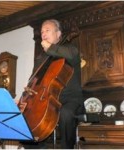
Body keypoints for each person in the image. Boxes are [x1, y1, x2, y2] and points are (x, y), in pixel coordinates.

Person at [24, 19, 85, 149]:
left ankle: (67, 147)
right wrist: (26, 95)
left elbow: (71, 55)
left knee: (66, 113)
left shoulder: (69, 49)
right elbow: (33, 81)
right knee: (28, 118)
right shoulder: (41, 58)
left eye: (47, 30)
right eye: (41, 32)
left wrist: (51, 48)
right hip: (47, 100)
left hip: (70, 100)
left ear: (58, 34)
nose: (43, 34)